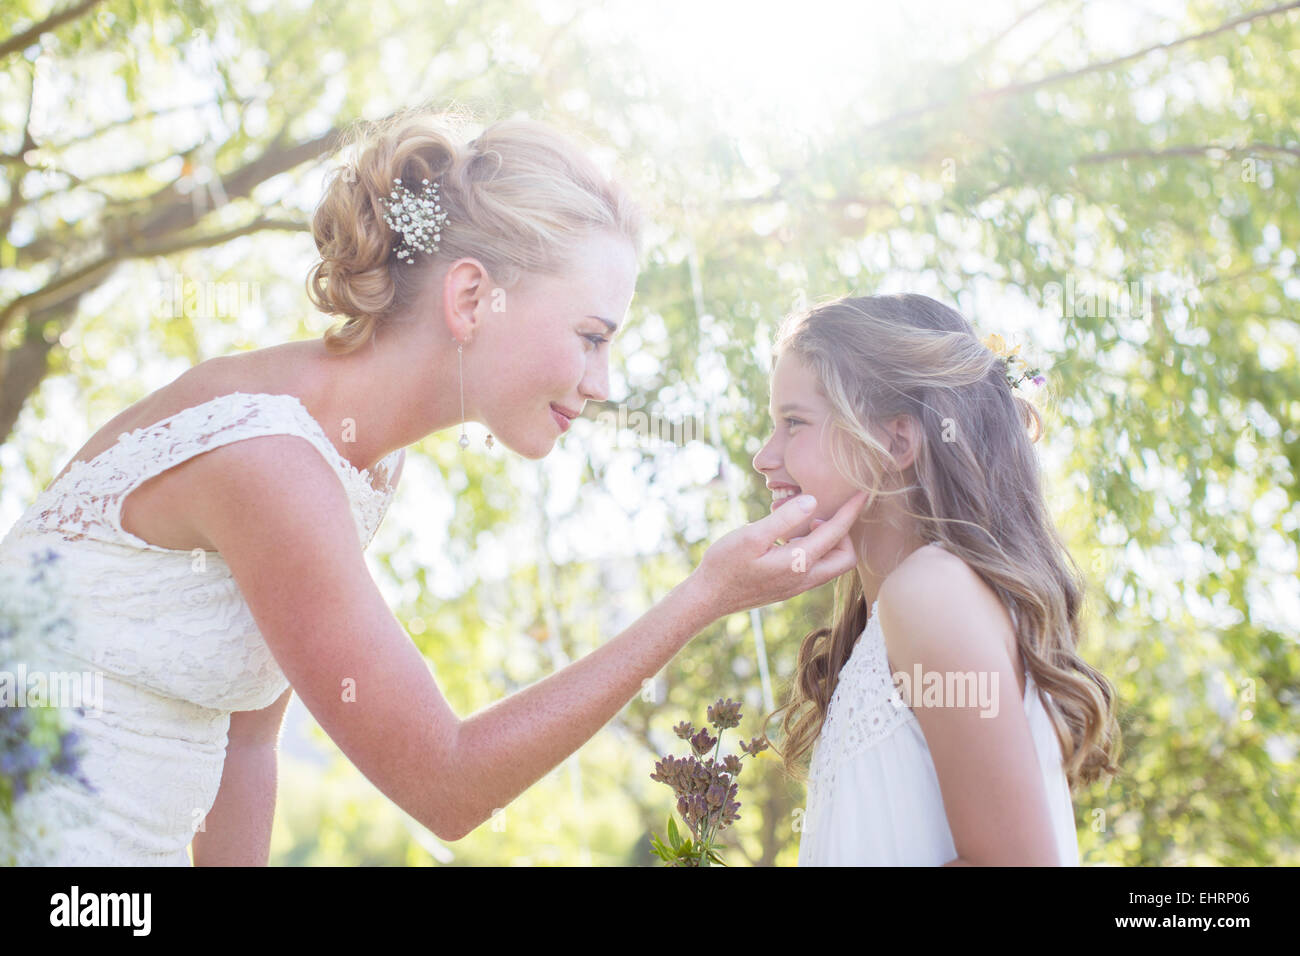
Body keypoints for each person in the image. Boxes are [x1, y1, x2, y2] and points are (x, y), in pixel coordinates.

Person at [0, 109, 867, 865]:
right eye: (592, 335)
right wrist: (703, 598)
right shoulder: (275, 462)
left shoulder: (361, 460)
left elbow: (248, 738)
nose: (604, 383)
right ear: (470, 298)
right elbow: (447, 786)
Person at [754, 293, 1121, 866]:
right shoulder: (907, 604)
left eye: (793, 423)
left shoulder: (930, 595)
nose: (763, 456)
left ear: (896, 442)